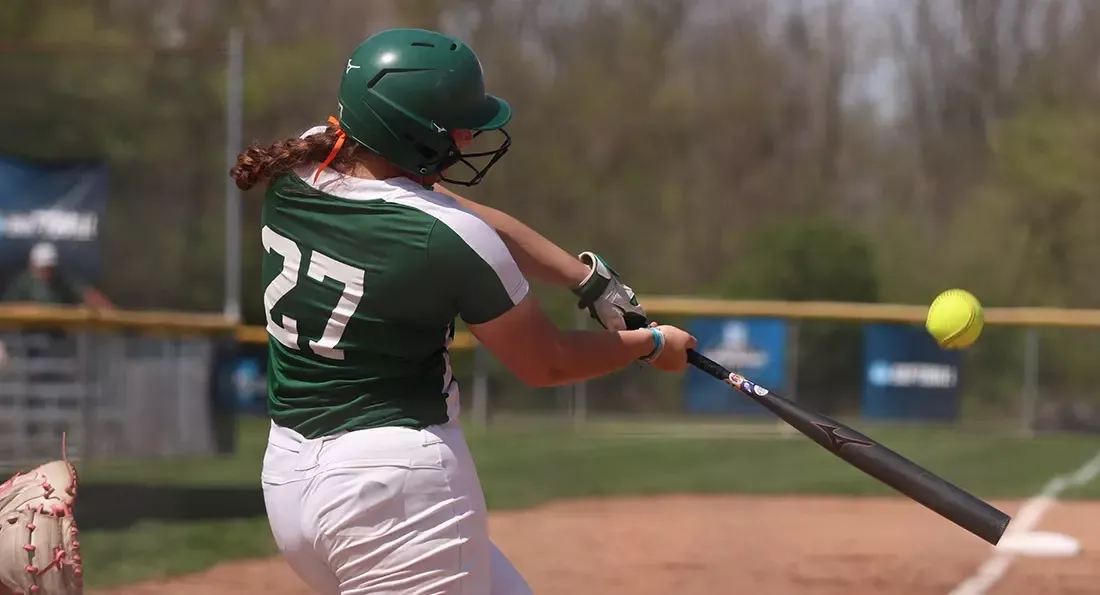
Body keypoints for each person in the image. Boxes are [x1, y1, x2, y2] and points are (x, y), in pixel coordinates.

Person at [230, 27, 697, 595]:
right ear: (411, 134)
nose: (471, 133)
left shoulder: (304, 165)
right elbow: (545, 363)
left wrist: (588, 281)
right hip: (396, 488)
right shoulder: (446, 238)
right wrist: (652, 346)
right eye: (457, 124)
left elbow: (442, 205)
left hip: (290, 480)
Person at [1, 242, 113, 309]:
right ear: (32, 265)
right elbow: (9, 307)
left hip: (57, 337)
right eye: (43, 268)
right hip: (26, 336)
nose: (46, 272)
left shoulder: (62, 280)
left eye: (50, 267)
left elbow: (87, 293)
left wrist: (107, 310)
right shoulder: (23, 282)